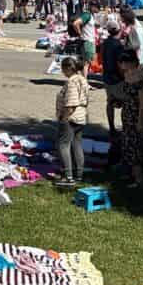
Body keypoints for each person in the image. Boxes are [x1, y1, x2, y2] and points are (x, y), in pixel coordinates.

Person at [55, 56, 89, 187]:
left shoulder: (72, 82)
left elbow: (72, 103)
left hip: (71, 117)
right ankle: (79, 174)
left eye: (63, 69)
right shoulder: (83, 80)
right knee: (77, 145)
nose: (63, 72)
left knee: (63, 145)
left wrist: (64, 118)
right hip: (81, 117)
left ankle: (68, 176)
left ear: (69, 68)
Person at [117, 50, 143, 185]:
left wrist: (140, 121)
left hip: (136, 114)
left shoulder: (140, 76)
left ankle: (139, 178)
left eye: (124, 62)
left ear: (130, 62)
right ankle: (130, 174)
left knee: (135, 146)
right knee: (127, 143)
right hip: (127, 113)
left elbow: (142, 103)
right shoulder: (126, 74)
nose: (121, 65)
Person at [101, 20, 126, 135]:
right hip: (117, 79)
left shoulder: (105, 43)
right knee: (125, 103)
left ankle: (111, 127)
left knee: (110, 102)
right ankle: (125, 127)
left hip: (106, 77)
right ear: (118, 30)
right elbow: (119, 64)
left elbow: (101, 59)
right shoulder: (118, 45)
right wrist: (124, 77)